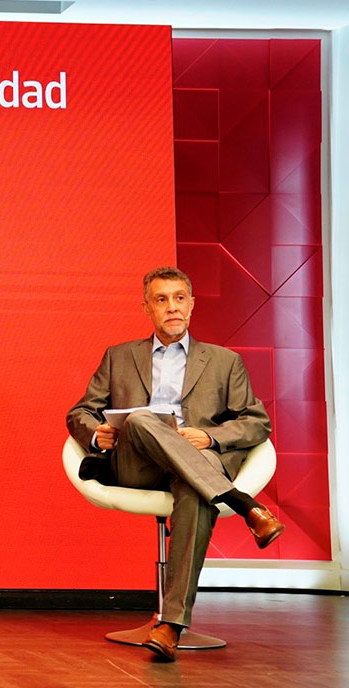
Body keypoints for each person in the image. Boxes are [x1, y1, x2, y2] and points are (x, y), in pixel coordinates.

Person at [66, 266, 284, 661]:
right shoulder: (119, 356)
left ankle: (170, 627)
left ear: (192, 305)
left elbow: (257, 422)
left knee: (196, 490)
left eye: (179, 298)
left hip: (195, 468)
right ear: (147, 308)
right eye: (161, 300)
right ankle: (243, 504)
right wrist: (97, 433)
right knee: (144, 418)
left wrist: (212, 437)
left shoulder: (224, 361)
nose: (172, 307)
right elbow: (81, 411)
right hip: (138, 464)